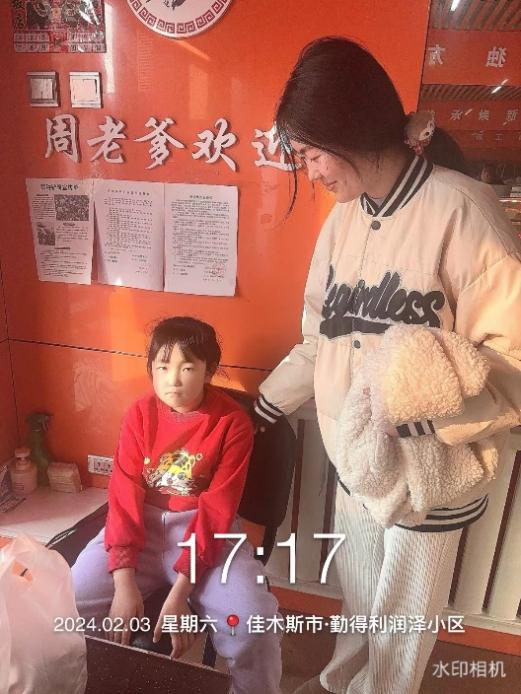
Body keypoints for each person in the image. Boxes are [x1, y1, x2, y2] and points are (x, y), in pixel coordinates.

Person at [252, 37, 521, 694]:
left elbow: (512, 360)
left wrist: (421, 420)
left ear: (350, 129)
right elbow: (321, 336)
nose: (311, 170)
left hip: (429, 472)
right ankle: (338, 685)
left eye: (312, 152)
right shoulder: (341, 223)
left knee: (400, 625)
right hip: (358, 463)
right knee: (357, 605)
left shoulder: (463, 211)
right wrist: (263, 403)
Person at [72, 316, 282, 694]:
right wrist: (124, 582)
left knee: (254, 625)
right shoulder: (139, 414)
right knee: (65, 606)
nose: (173, 380)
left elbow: (218, 511)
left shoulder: (232, 423)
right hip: (141, 528)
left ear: (209, 371)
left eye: (187, 368)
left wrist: (180, 595)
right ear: (150, 369)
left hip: (206, 534)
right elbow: (123, 498)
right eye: (163, 367)